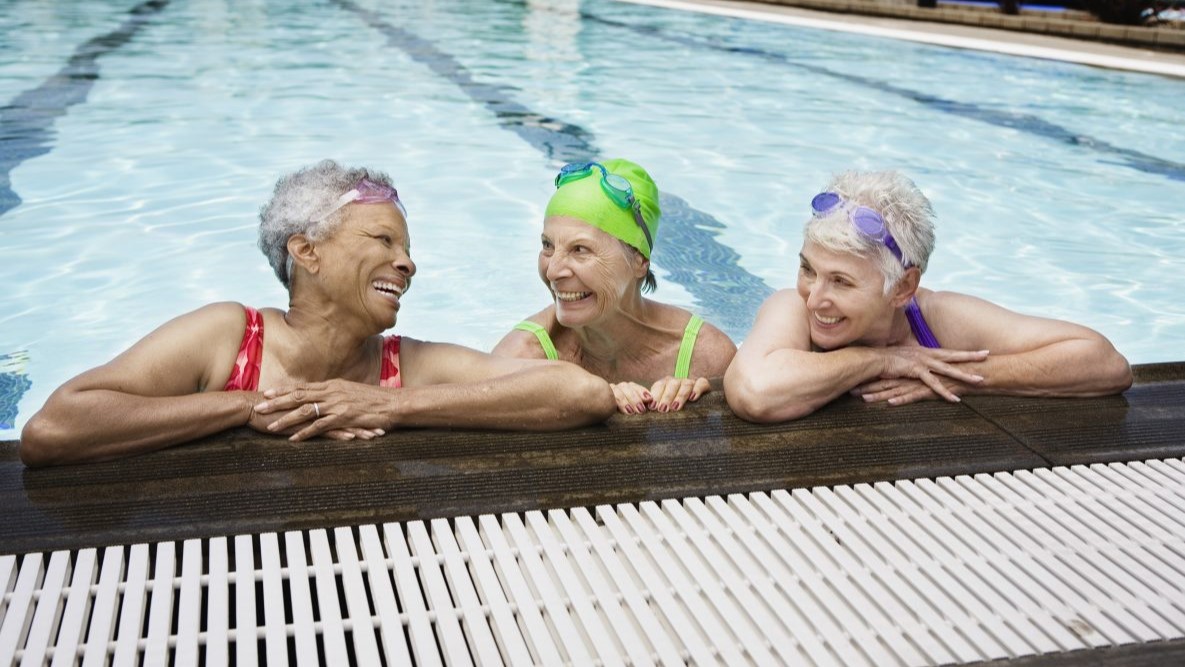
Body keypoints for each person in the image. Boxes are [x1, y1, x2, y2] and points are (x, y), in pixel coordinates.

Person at [19, 160, 616, 466]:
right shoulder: (230, 337)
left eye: (407, 250)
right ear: (305, 251)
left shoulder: (403, 366)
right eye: (384, 241)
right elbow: (53, 430)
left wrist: (388, 403)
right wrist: (246, 405)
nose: (407, 265)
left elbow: (582, 394)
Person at [725, 170, 1132, 423]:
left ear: (902, 287)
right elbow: (755, 393)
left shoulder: (936, 319)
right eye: (808, 269)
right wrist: (882, 360)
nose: (815, 298)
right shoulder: (792, 309)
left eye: (842, 282)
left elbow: (1106, 363)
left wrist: (965, 378)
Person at [492, 159, 736, 414]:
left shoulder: (706, 356)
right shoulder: (522, 355)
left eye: (580, 250)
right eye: (547, 246)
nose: (553, 271)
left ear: (639, 262)